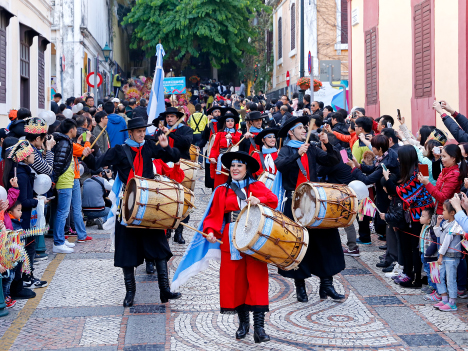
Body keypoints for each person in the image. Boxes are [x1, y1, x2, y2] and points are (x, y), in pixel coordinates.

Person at [92, 117, 182, 307]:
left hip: (149, 203)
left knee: (159, 247)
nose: (142, 134)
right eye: (139, 131)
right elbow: (97, 163)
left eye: (143, 131)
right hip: (128, 205)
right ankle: (130, 293)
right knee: (126, 250)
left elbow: (173, 158)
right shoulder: (119, 150)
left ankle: (164, 291)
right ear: (130, 133)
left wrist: (165, 147)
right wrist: (86, 154)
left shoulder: (149, 146)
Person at [204, 151, 278, 343]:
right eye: (233, 166)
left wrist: (258, 200)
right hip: (230, 238)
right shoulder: (221, 190)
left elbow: (274, 201)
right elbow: (214, 216)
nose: (235, 169)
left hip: (254, 238)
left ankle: (259, 329)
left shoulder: (258, 186)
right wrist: (211, 231)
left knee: (257, 279)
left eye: (240, 166)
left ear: (247, 169)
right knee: (236, 281)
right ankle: (243, 324)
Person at [274, 116, 344, 303]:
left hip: (314, 202)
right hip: (294, 202)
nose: (305, 130)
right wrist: (297, 154)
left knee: (325, 241)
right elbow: (280, 166)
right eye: (300, 128)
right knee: (297, 244)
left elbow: (332, 161)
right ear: (291, 132)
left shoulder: (312, 148)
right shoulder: (286, 149)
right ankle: (300, 286)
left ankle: (327, 284)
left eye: (305, 127)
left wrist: (327, 145)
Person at [382, 146, 434, 287]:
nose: (398, 159)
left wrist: (387, 179)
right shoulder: (411, 171)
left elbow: (402, 193)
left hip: (420, 216)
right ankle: (407, 273)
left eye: (400, 157)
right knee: (407, 246)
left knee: (416, 247)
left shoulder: (420, 171)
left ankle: (416, 279)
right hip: (410, 215)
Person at [51, 119, 93, 254]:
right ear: (71, 130)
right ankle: (58, 242)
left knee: (64, 211)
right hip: (65, 180)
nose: (77, 131)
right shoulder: (64, 142)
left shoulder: (66, 141)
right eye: (75, 128)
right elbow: (60, 163)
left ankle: (61, 240)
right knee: (62, 212)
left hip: (68, 179)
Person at [154, 107, 193, 244]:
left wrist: (170, 134)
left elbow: (186, 143)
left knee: (183, 200)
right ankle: (167, 228)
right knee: (165, 199)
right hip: (164, 168)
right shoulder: (159, 131)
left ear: (177, 118)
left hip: (180, 166)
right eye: (167, 117)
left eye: (172, 116)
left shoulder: (186, 130)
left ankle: (179, 232)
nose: (169, 119)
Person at [418, 144, 466, 215]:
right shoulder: (446, 170)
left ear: (453, 158)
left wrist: (427, 183)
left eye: (444, 156)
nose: (442, 159)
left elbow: (443, 198)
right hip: (439, 209)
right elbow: (438, 189)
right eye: (441, 156)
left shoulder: (454, 175)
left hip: (445, 213)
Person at [432, 200, 461, 311]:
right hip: (443, 256)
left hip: (451, 257)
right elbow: (439, 234)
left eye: (444, 210)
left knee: (450, 279)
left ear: (452, 212)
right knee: (439, 276)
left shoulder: (456, 225)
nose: (442, 213)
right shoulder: (445, 223)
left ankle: (452, 302)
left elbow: (446, 242)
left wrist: (440, 256)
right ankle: (444, 298)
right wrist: (438, 224)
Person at [209, 108, 242, 188]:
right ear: (225, 122)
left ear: (234, 122)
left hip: (234, 162)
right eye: (228, 121)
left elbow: (240, 142)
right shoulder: (220, 134)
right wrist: (212, 157)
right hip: (222, 160)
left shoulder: (238, 134)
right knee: (221, 184)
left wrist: (232, 138)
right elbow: (214, 147)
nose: (230, 123)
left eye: (232, 121)